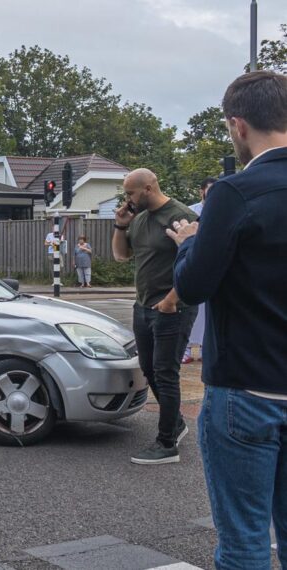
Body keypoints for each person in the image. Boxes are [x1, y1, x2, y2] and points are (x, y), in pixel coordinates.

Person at [166, 70, 287, 569]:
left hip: (246, 392)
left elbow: (193, 286)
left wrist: (189, 242)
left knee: (244, 543)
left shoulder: (234, 193)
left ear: (238, 126)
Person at [112, 168, 199, 465]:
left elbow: (196, 265)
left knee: (166, 372)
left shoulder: (182, 216)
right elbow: (122, 256)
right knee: (149, 369)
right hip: (143, 307)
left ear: (148, 188)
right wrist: (120, 226)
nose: (128, 199)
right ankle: (175, 424)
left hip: (173, 308)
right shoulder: (138, 220)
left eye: (131, 193)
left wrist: (171, 301)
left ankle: (167, 444)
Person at [182, 177, 216, 363]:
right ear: (201, 191)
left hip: (213, 266)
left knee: (208, 312)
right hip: (193, 263)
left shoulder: (221, 209)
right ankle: (186, 348)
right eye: (208, 190)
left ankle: (204, 347)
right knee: (190, 308)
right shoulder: (190, 211)